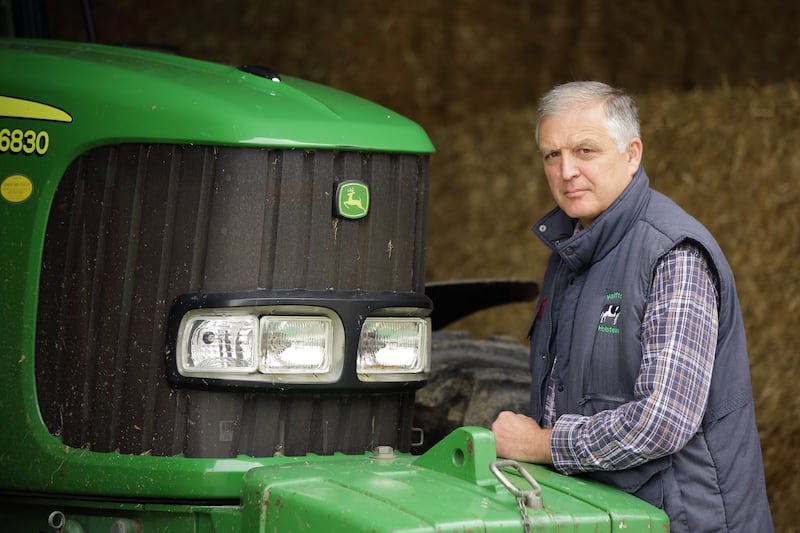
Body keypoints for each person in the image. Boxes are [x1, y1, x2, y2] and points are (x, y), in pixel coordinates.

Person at [491, 81, 773, 532]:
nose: (566, 171)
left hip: (683, 522)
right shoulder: (571, 253)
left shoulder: (672, 253)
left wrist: (542, 444)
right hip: (609, 516)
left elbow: (663, 421)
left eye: (585, 151)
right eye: (552, 155)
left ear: (632, 154)